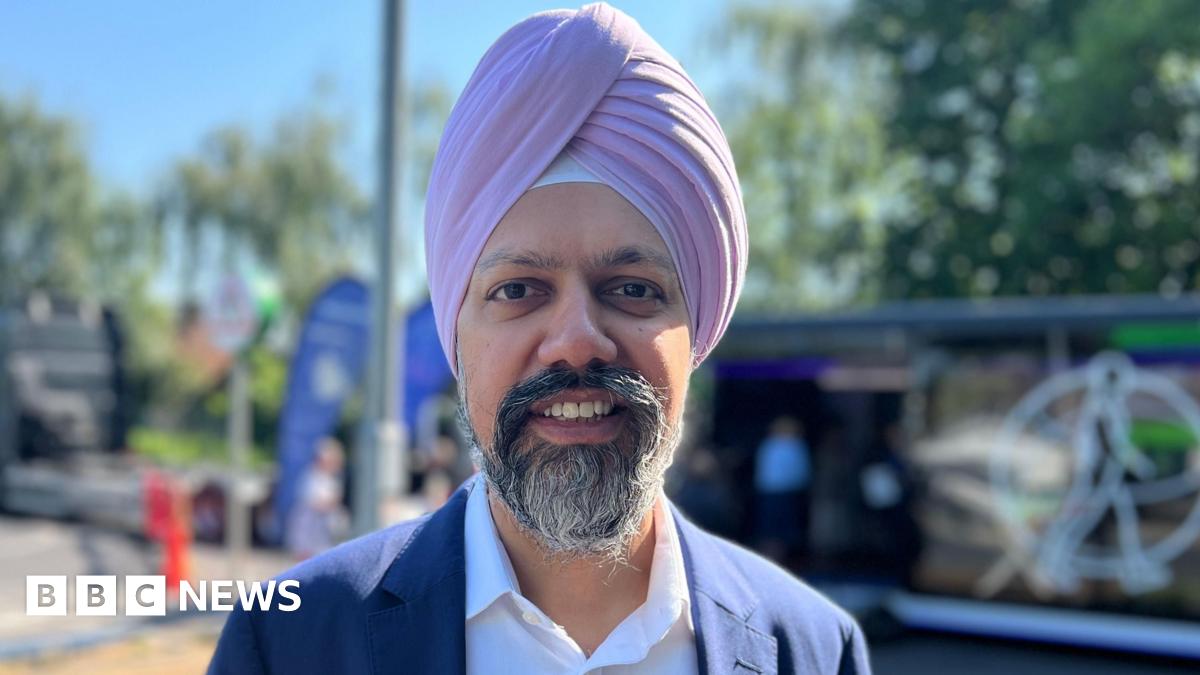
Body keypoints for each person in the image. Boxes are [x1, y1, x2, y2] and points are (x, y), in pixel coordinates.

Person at [209, 4, 870, 673]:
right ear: (456, 338)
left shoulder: (810, 649)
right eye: (519, 290)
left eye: (633, 288)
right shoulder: (293, 641)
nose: (576, 341)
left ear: (696, 329)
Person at [754, 416, 812, 563]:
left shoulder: (795, 445)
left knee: (782, 531)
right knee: (768, 529)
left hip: (786, 493)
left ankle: (778, 560)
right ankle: (767, 558)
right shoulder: (769, 445)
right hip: (770, 493)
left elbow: (801, 472)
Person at [284, 436, 349, 560]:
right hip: (310, 527)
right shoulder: (310, 476)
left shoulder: (332, 479)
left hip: (324, 531)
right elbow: (314, 502)